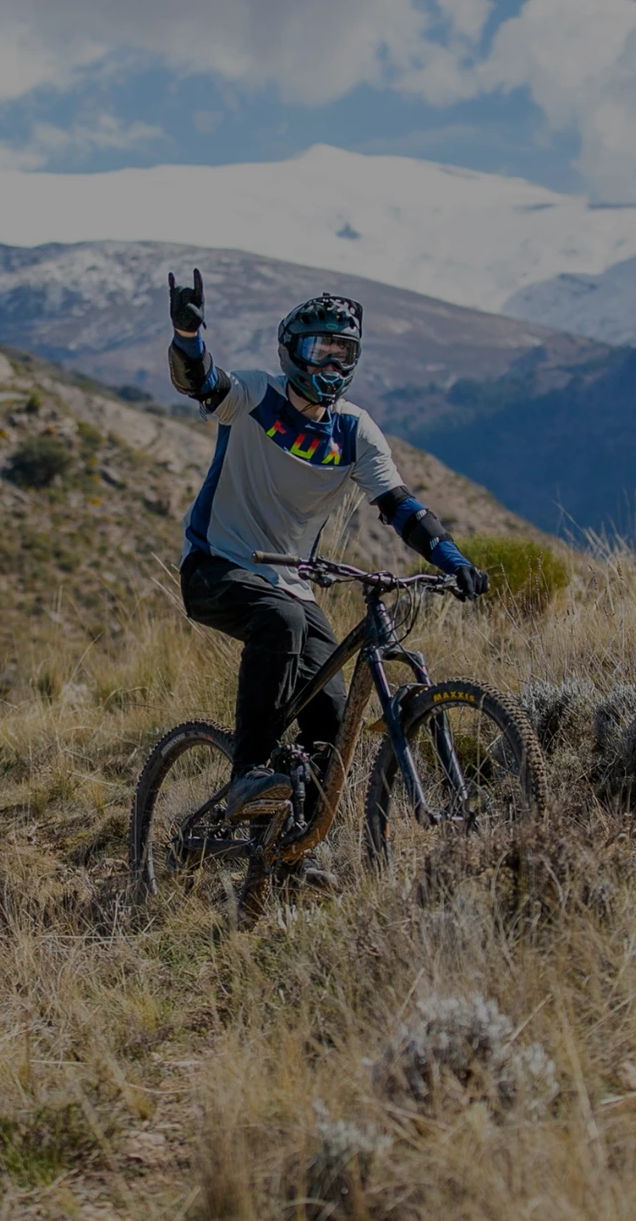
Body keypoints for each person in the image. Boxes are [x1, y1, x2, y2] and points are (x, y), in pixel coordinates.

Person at [166, 269, 489, 874]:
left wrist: (452, 560)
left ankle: (289, 855)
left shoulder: (355, 430)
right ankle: (247, 776)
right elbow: (201, 381)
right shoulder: (257, 396)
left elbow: (400, 506)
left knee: (333, 723)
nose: (333, 363)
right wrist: (187, 333)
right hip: (216, 566)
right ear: (293, 352)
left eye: (346, 352)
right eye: (321, 349)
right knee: (282, 622)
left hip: (290, 582)